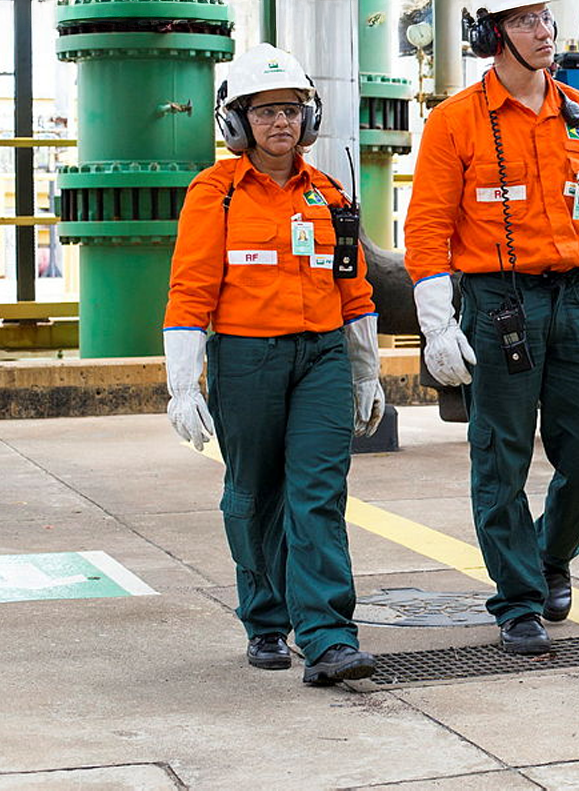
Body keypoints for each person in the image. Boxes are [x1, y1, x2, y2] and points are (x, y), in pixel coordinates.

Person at [404, 0, 579, 655]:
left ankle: (549, 556)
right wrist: (438, 323)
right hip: (496, 298)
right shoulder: (455, 124)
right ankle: (517, 600)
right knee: (500, 457)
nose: (543, 31)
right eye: (524, 20)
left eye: (544, 16)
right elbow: (426, 229)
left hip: (572, 296)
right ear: (490, 34)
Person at [162, 43, 384, 686]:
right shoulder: (217, 193)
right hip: (245, 358)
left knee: (318, 494)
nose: (280, 123)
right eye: (264, 112)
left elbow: (355, 287)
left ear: (307, 118)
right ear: (237, 123)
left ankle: (327, 636)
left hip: (320, 359)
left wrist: (365, 370)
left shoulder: (329, 194)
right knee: (253, 493)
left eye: (290, 109)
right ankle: (264, 618)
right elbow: (191, 288)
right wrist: (184, 382)